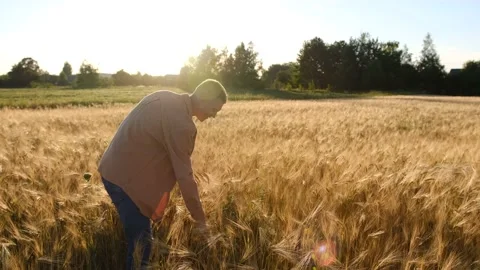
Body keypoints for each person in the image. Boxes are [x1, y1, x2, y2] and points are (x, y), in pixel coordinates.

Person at [97, 79, 227, 269]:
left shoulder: (165, 97)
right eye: (214, 109)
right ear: (205, 97)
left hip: (112, 170)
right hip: (125, 183)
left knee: (140, 237)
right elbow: (185, 178)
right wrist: (201, 223)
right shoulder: (182, 125)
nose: (214, 115)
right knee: (142, 247)